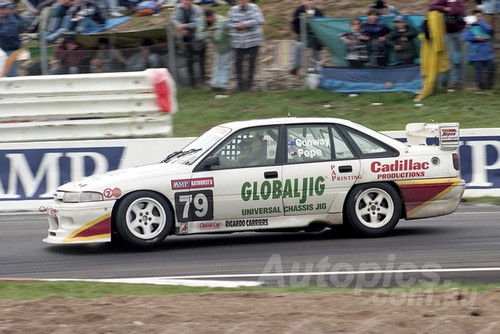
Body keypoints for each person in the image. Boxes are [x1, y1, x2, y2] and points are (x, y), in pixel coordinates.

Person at [227, 0, 264, 91]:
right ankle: (240, 85)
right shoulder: (233, 9)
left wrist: (246, 24)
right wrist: (237, 26)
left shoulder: (254, 7)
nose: (242, 1)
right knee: (238, 64)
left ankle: (249, 85)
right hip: (238, 42)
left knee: (251, 64)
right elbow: (227, 23)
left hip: (253, 41)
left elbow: (260, 20)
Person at [429, 0, 467, 90]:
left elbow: (458, 11)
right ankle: (452, 81)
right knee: (450, 59)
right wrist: (444, 8)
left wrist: (448, 10)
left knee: (463, 58)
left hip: (461, 32)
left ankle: (461, 81)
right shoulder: (443, 1)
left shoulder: (459, 1)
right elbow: (431, 7)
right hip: (449, 34)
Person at [196, 9, 233, 92]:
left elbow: (218, 37)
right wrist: (210, 32)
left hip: (228, 46)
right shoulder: (202, 21)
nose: (211, 18)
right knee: (217, 65)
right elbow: (198, 36)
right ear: (206, 18)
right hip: (217, 48)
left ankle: (222, 86)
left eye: (212, 16)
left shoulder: (221, 21)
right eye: (209, 17)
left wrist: (208, 31)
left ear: (214, 14)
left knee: (225, 66)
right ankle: (214, 85)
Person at [171, 0, 206, 87]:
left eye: (188, 0)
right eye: (184, 0)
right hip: (186, 39)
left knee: (201, 60)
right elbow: (174, 19)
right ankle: (192, 82)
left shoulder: (198, 10)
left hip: (198, 38)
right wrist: (180, 27)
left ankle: (203, 80)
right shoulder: (178, 8)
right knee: (189, 61)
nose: (186, 2)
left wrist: (184, 26)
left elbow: (198, 23)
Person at [290, 0, 323, 76]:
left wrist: (312, 19)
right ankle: (295, 66)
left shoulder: (318, 12)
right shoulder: (299, 10)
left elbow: (322, 26)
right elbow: (294, 24)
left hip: (315, 37)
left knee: (317, 46)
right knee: (298, 45)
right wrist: (301, 33)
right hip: (303, 36)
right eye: (308, 0)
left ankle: (316, 68)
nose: (310, 2)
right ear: (303, 2)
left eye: (312, 1)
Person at [464, 9, 495, 89]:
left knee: (491, 66)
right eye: (477, 16)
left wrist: (481, 22)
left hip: (487, 51)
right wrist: (475, 37)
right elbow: (465, 37)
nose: (479, 18)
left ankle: (489, 85)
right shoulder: (469, 27)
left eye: (480, 16)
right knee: (478, 71)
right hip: (476, 52)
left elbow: (489, 30)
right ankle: (481, 85)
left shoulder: (485, 25)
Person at [0, 1, 22, 77]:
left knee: (11, 73)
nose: (9, 10)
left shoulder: (13, 19)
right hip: (1, 48)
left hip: (11, 49)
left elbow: (9, 33)